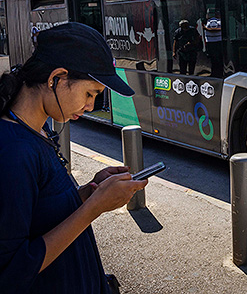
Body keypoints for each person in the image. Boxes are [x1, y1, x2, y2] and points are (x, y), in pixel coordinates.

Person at [0, 22, 146, 293]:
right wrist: (93, 209)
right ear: (56, 78)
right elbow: (11, 271)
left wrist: (89, 192)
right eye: (89, 93)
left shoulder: (37, 129)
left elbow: (42, 213)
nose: (90, 106)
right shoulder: (13, 151)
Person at [203, 9, 222, 78]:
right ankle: (214, 73)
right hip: (210, 42)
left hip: (218, 41)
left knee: (219, 59)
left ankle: (219, 73)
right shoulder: (209, 21)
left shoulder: (220, 21)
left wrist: (207, 29)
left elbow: (218, 29)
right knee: (213, 59)